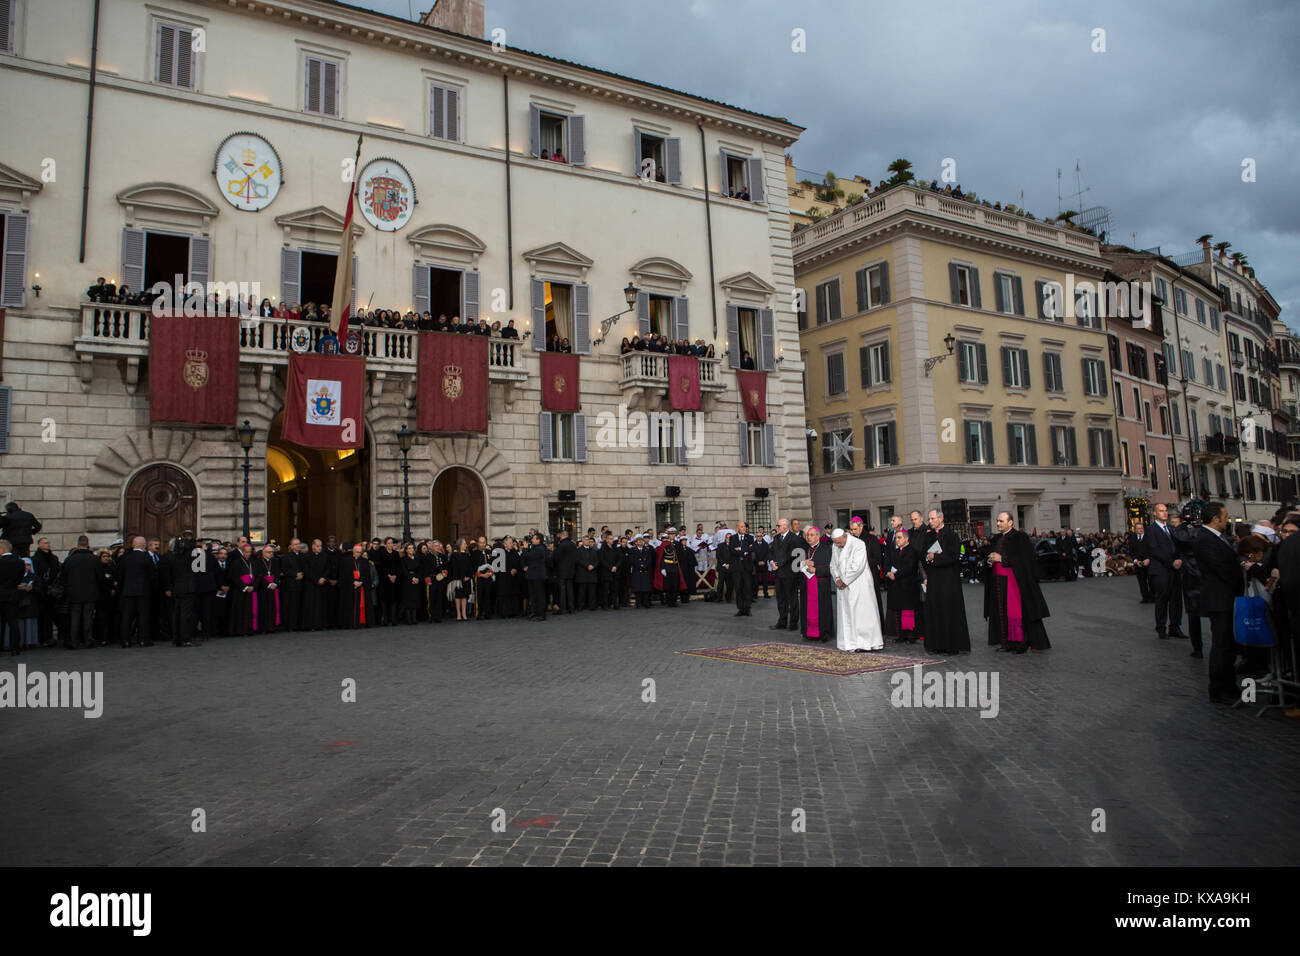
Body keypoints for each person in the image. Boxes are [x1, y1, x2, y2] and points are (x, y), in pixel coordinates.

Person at [1192, 501, 1245, 705]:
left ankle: (1228, 685)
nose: (1227, 519)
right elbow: (1221, 568)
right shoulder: (1205, 539)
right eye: (1224, 516)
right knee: (1221, 645)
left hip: (1224, 597)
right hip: (1219, 598)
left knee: (1227, 645)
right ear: (1216, 519)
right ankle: (1218, 688)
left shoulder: (1215, 537)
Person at [984, 511, 1051, 653]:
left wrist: (1002, 559)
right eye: (997, 521)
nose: (998, 524)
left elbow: (1025, 560)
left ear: (1010, 522)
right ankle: (1006, 642)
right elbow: (991, 556)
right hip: (998, 581)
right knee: (1001, 612)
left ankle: (1020, 643)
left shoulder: (1020, 537)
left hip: (1015, 580)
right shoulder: (996, 538)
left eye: (1001, 521)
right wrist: (990, 560)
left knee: (1016, 612)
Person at [922, 509, 970, 654]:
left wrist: (934, 558)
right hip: (934, 579)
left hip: (948, 580)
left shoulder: (951, 535)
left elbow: (954, 557)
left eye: (932, 518)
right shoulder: (929, 535)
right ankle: (937, 644)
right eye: (929, 519)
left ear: (940, 518)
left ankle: (951, 645)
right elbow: (924, 554)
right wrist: (927, 558)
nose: (930, 521)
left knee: (948, 611)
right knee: (935, 611)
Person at [829, 528, 883, 652]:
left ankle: (865, 642)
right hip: (842, 584)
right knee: (846, 613)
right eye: (835, 543)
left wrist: (844, 580)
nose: (837, 545)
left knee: (861, 613)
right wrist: (837, 578)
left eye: (839, 542)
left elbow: (857, 566)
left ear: (844, 537)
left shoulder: (858, 544)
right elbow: (833, 564)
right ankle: (849, 642)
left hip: (859, 584)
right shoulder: (835, 545)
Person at [1146, 502, 1185, 639]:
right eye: (1161, 510)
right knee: (1162, 600)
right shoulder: (1151, 530)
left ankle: (1175, 626)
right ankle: (1161, 627)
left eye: (1166, 510)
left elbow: (1178, 545)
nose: (1165, 513)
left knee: (1176, 600)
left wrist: (1179, 559)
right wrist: (1171, 562)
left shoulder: (1171, 528)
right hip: (1160, 570)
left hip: (1174, 570)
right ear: (1155, 513)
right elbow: (1154, 549)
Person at [116, 535, 157, 647]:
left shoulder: (124, 558)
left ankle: (125, 640)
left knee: (127, 616)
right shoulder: (147, 558)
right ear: (144, 545)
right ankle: (143, 640)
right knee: (143, 616)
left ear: (133, 545)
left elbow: (120, 576)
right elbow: (153, 575)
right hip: (143, 591)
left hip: (128, 591)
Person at [61, 536, 100, 650]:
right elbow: (100, 577)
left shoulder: (70, 559)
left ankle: (74, 641)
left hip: (74, 592)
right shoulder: (94, 559)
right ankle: (88, 640)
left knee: (75, 618)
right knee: (88, 617)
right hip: (90, 592)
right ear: (88, 544)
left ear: (78, 545)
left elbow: (64, 576)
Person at [798, 525, 835, 643]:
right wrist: (803, 563)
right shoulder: (804, 549)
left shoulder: (826, 549)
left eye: (812, 535)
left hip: (821, 584)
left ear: (818, 536)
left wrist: (816, 570)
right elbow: (794, 567)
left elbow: (832, 568)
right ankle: (807, 632)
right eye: (808, 535)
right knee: (806, 608)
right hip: (807, 585)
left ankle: (824, 633)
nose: (809, 537)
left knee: (823, 609)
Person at [885, 528, 922, 643]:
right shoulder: (895, 552)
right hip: (896, 586)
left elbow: (909, 567)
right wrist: (888, 573)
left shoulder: (912, 551)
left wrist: (896, 575)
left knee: (908, 611)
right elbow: (888, 563)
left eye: (899, 537)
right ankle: (901, 634)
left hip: (908, 586)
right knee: (899, 611)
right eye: (896, 538)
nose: (897, 540)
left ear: (907, 538)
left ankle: (910, 635)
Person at [768, 518, 800, 631]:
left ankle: (793, 623)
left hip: (789, 574)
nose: (777, 527)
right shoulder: (776, 537)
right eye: (777, 525)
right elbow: (771, 551)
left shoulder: (794, 538)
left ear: (785, 526)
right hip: (778, 574)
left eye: (779, 525)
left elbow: (792, 555)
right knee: (781, 599)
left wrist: (779, 564)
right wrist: (771, 562)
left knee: (792, 599)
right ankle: (782, 621)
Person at [0, 540, 27, 655]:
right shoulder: (20, 562)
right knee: (13, 622)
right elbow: (20, 578)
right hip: (13, 594)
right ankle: (15, 647)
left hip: (1, 594)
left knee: (1, 622)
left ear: (2, 549)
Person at [338, 543, 373, 629]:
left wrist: (361, 582)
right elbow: (343, 575)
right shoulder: (346, 561)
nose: (358, 554)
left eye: (360, 552)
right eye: (357, 552)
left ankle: (361, 623)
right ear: (353, 551)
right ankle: (350, 623)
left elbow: (367, 575)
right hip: (350, 587)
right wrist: (353, 582)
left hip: (361, 587)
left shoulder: (364, 561)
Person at [727, 521, 757, 616]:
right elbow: (731, 550)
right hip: (736, 568)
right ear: (738, 528)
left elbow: (752, 549)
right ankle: (740, 608)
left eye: (744, 526)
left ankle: (747, 608)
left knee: (747, 588)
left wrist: (739, 549)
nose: (744, 528)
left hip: (747, 568)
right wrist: (744, 550)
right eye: (742, 527)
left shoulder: (750, 537)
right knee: (738, 588)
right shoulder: (732, 538)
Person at [523, 533, 551, 621]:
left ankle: (541, 614)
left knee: (539, 596)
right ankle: (534, 612)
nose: (532, 540)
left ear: (539, 540)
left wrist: (525, 548)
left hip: (537, 576)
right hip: (533, 575)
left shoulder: (540, 549)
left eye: (534, 539)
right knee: (533, 596)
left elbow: (527, 556)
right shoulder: (536, 548)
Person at [1128, 521, 1153, 603]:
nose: (1140, 530)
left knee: (1152, 582)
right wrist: (1135, 561)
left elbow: (1153, 550)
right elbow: (1131, 552)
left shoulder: (1149, 537)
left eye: (1142, 528)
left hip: (1149, 563)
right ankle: (1145, 597)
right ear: (1135, 530)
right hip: (1138, 564)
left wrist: (1149, 559)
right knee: (1142, 582)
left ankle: (1152, 597)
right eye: (1138, 529)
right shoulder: (1132, 538)